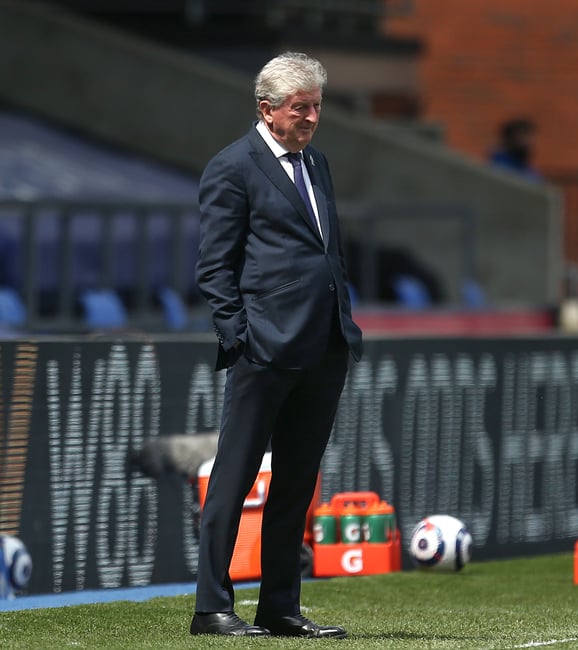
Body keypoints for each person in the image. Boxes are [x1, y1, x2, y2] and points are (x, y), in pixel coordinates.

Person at [191, 51, 362, 637]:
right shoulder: (232, 166)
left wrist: (343, 321)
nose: (312, 117)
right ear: (267, 109)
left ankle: (279, 606)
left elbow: (327, 251)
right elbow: (215, 267)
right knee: (233, 480)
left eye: (316, 106)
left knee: (296, 484)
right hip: (264, 349)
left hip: (323, 346)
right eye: (300, 107)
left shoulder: (317, 164)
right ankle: (212, 607)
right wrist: (241, 337)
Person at [488, 117, 542, 181]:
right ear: (509, 139)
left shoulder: (531, 173)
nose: (528, 142)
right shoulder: (498, 166)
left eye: (530, 137)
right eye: (522, 135)